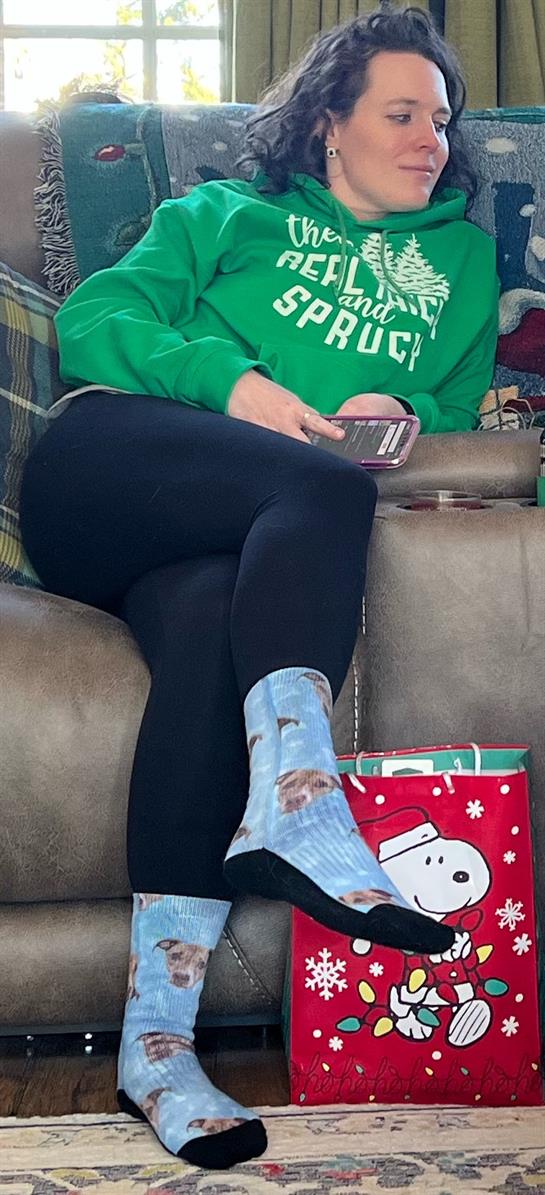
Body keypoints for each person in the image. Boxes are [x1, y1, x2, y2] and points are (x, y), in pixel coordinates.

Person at [19, 3, 499, 1171]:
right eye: (400, 113)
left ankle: (156, 1047)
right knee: (317, 486)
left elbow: (448, 405)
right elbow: (95, 320)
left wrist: (402, 414)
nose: (429, 139)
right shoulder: (223, 215)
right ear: (329, 123)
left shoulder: (459, 265)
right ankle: (296, 801)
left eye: (439, 119)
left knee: (205, 632)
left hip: (234, 542)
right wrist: (229, 384)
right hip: (113, 470)